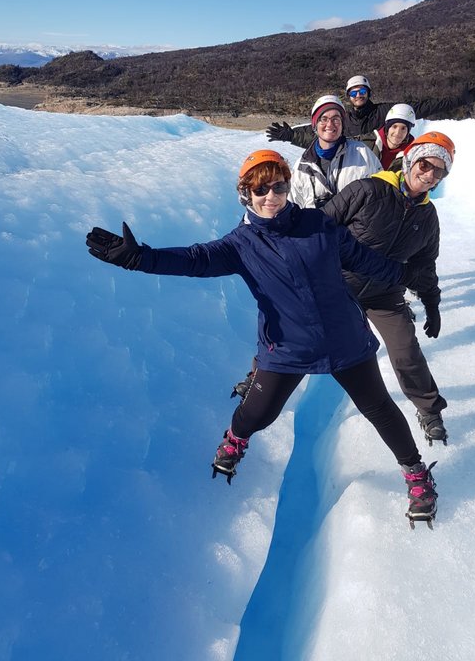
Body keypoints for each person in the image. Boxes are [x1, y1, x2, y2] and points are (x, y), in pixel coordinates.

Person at [86, 149, 439, 526]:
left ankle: (417, 474)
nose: (270, 196)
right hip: (287, 346)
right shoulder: (240, 244)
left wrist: (409, 278)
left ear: (289, 187)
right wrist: (140, 258)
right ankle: (235, 439)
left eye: (279, 186)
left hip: (346, 340)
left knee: (380, 409)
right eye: (260, 189)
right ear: (246, 194)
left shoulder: (319, 225)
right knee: (258, 412)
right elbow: (194, 260)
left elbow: (366, 260)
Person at [322, 130, 456, 446]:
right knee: (300, 329)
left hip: (384, 292)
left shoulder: (428, 217)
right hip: (339, 283)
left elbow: (426, 265)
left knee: (407, 351)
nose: (429, 174)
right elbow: (321, 226)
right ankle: (258, 376)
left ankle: (430, 411)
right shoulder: (368, 190)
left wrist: (432, 302)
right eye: (425, 164)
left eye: (439, 170)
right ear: (409, 160)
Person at [265, 73, 475, 143]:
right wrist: (290, 135)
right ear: (348, 96)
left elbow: (422, 107)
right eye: (353, 92)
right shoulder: (344, 120)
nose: (358, 95)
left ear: (369, 93)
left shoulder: (385, 111)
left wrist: (460, 100)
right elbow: (318, 134)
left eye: (362, 91)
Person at [288, 94, 382, 209]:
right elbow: (294, 206)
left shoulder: (362, 153)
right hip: (314, 226)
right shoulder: (302, 166)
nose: (330, 124)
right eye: (324, 119)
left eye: (336, 119)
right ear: (315, 125)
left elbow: (380, 192)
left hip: (353, 226)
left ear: (342, 124)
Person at [357, 103, 416, 171]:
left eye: (403, 128)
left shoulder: (411, 154)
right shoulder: (365, 143)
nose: (398, 133)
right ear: (388, 128)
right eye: (394, 126)